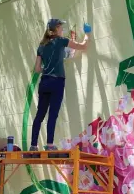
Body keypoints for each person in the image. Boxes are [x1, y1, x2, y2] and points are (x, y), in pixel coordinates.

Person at [29, 18, 91, 156]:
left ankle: (33, 145)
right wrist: (87, 34)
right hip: (57, 82)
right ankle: (49, 145)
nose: (62, 29)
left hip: (44, 82)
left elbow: (37, 68)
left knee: (40, 114)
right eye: (61, 27)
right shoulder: (61, 41)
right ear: (56, 29)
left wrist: (49, 66)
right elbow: (83, 46)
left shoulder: (41, 46)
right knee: (53, 114)